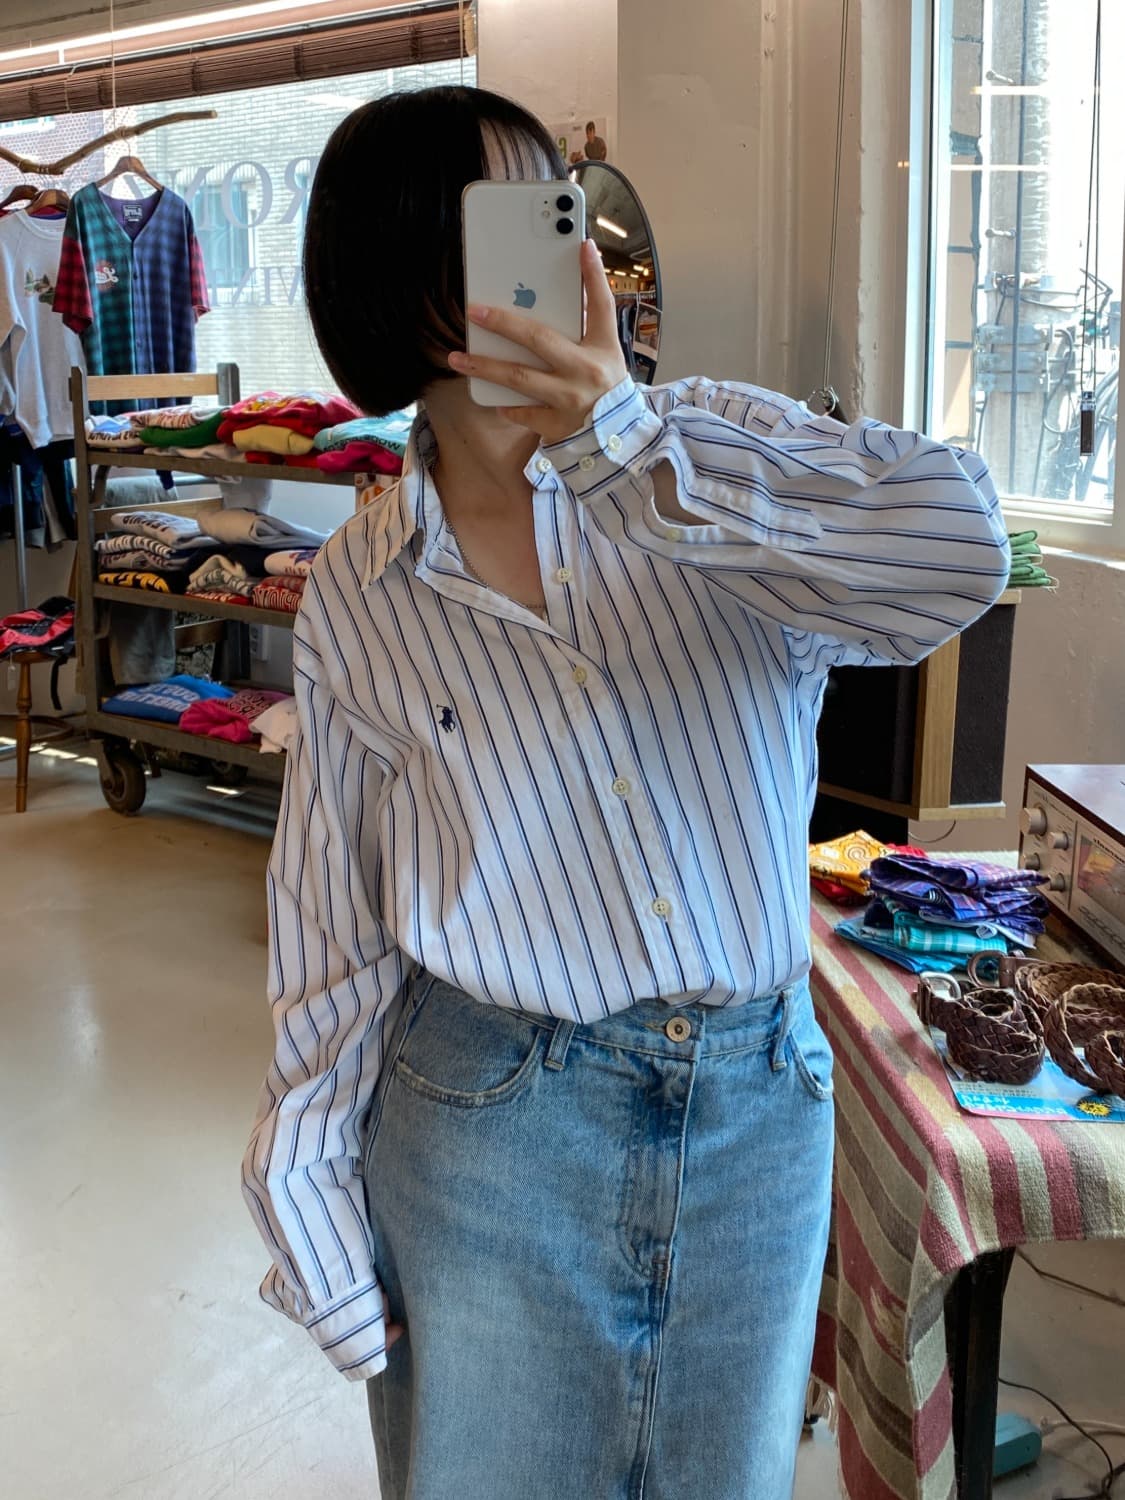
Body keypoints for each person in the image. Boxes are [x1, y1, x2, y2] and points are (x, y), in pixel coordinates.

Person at [241, 85, 1009, 1500]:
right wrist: (305, 1192)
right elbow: (330, 919)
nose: (569, 247)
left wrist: (629, 454)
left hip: (754, 1118)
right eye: (515, 214)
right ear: (406, 268)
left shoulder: (713, 445)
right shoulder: (362, 585)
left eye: (562, 210)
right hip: (485, 1127)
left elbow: (960, 554)